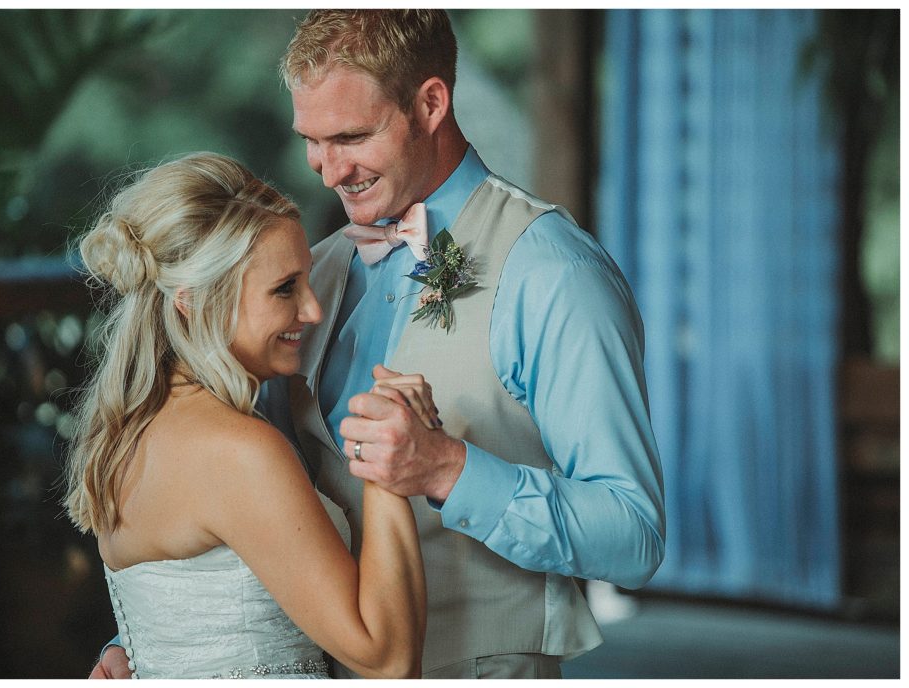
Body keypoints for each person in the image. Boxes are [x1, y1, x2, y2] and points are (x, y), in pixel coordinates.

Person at [97, 9, 666, 680]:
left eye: (351, 136)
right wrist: (155, 637)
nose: (329, 171)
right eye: (312, 140)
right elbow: (251, 506)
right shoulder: (316, 275)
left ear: (430, 103)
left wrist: (447, 470)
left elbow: (633, 537)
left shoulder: (553, 273)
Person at [64, 152, 428, 679]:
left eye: (306, 281)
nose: (312, 310)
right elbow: (388, 659)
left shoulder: (125, 435)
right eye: (285, 289)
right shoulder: (237, 452)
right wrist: (389, 463)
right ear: (194, 300)